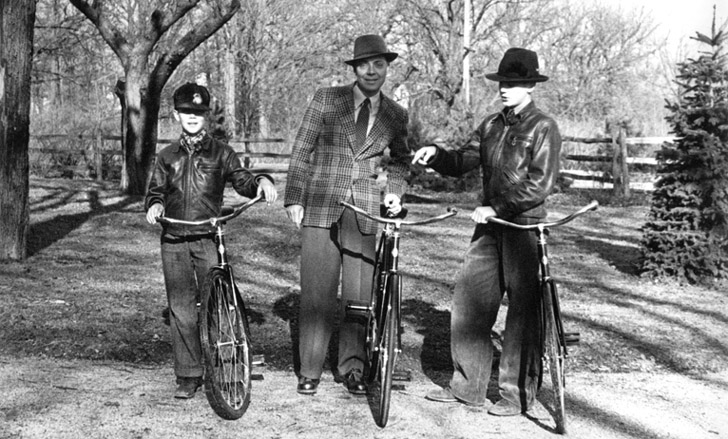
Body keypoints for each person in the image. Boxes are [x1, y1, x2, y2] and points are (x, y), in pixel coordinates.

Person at [412, 48, 561, 415]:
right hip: (490, 229)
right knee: (469, 301)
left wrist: (497, 207)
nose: (505, 88)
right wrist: (436, 154)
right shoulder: (491, 125)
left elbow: (540, 185)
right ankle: (468, 387)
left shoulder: (543, 126)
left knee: (523, 316)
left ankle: (515, 395)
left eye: (513, 83)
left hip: (524, 228)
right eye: (502, 82)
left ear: (530, 86)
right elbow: (463, 159)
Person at [284, 34, 410, 396]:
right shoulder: (327, 99)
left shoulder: (396, 114)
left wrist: (393, 193)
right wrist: (294, 198)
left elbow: (401, 162)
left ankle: (353, 368)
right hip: (321, 204)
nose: (372, 71)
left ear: (387, 68)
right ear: (354, 69)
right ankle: (310, 370)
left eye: (379, 65)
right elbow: (302, 150)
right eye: (364, 65)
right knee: (316, 294)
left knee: (359, 295)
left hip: (365, 210)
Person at [145, 82, 277, 399]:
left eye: (198, 112)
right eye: (186, 112)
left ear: (206, 116)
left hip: (207, 237)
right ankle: (188, 374)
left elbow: (242, 181)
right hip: (174, 238)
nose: (192, 117)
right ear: (176, 116)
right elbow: (155, 191)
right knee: (181, 309)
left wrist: (261, 181)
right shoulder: (166, 156)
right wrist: (155, 205)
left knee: (218, 304)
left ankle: (224, 368)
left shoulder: (221, 153)